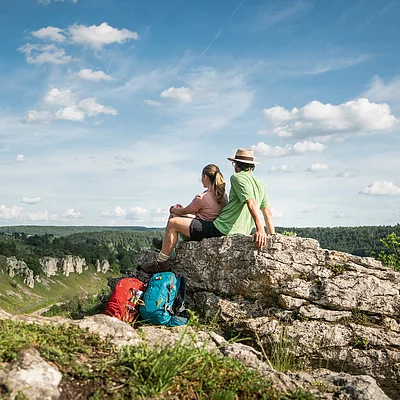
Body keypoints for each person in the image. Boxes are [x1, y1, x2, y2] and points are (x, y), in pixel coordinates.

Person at [141, 164, 227, 273]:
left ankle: (161, 262)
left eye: (201, 177)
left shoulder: (201, 197)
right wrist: (181, 211)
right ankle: (165, 245)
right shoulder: (223, 196)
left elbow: (185, 211)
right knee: (175, 217)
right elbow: (197, 212)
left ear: (205, 177)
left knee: (173, 221)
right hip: (210, 226)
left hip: (203, 230)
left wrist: (173, 209)